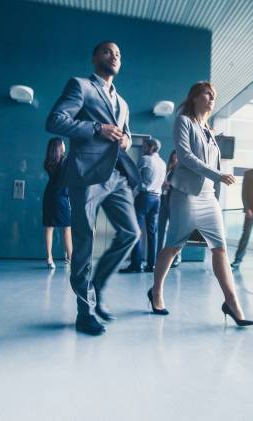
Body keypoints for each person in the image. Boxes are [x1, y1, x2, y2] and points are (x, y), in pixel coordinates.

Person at [46, 41, 141, 336]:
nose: (114, 56)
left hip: (116, 177)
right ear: (95, 58)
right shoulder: (81, 86)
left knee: (131, 233)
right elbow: (55, 121)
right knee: (84, 242)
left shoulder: (123, 103)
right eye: (108, 52)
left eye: (119, 54)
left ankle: (96, 287)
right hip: (86, 175)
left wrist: (126, 139)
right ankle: (84, 312)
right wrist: (96, 128)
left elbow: (124, 135)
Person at [148, 81, 253, 326]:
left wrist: (215, 178)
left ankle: (232, 303)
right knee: (174, 246)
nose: (211, 98)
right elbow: (185, 157)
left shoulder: (208, 129)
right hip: (186, 195)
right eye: (206, 94)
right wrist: (217, 175)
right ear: (194, 97)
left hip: (208, 197)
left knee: (219, 249)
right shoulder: (183, 122)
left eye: (213, 95)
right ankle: (156, 292)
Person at [120, 137, 166, 273]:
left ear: (150, 147)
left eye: (144, 146)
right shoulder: (162, 163)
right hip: (157, 199)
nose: (143, 149)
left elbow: (133, 175)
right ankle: (151, 265)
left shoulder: (146, 159)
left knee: (136, 231)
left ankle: (136, 264)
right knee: (152, 233)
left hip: (144, 198)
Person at [230, 151, 253, 271]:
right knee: (245, 235)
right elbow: (244, 193)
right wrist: (247, 209)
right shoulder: (248, 173)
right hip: (251, 209)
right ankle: (237, 261)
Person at [42, 137, 72, 270]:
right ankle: (71, 257)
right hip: (61, 197)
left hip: (49, 196)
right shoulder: (65, 162)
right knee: (66, 227)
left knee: (49, 227)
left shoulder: (49, 162)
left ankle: (49, 258)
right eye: (63, 144)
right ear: (60, 146)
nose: (65, 145)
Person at [156, 150, 181, 268]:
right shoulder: (168, 168)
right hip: (164, 201)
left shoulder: (180, 170)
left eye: (177, 156)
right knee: (161, 230)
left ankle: (176, 258)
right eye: (173, 155)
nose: (175, 158)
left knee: (174, 232)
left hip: (174, 203)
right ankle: (160, 256)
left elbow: (182, 185)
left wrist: (170, 185)